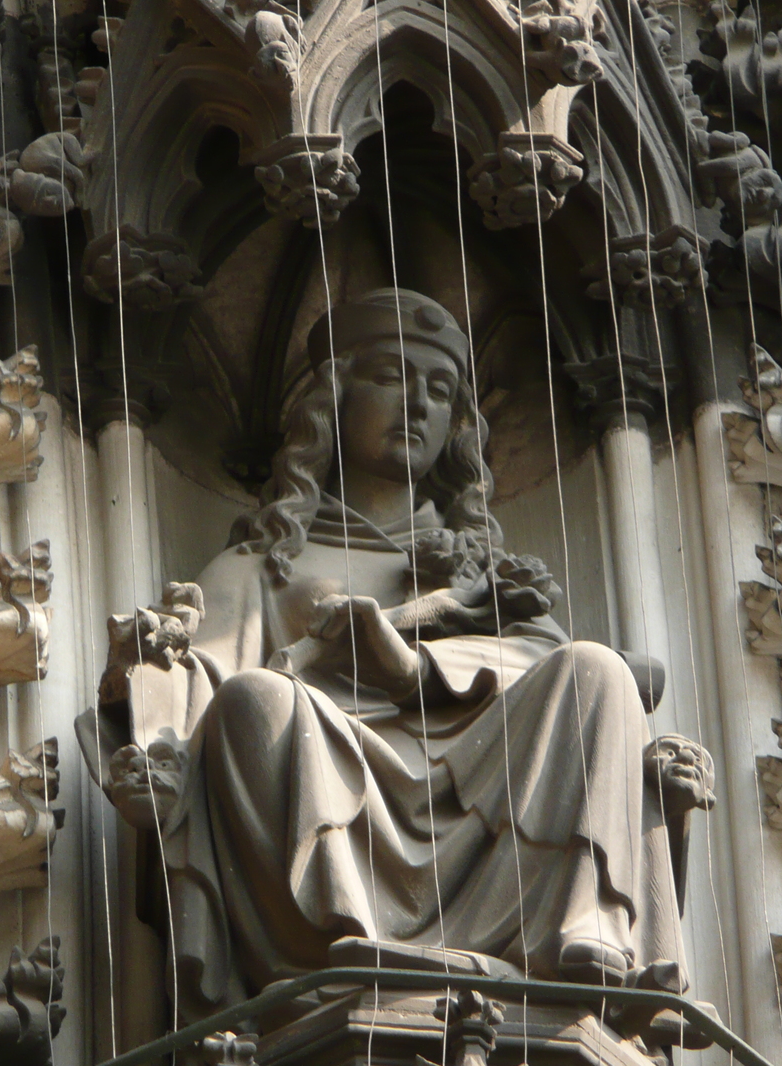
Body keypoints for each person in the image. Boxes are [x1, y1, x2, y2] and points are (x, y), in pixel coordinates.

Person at [79, 289, 711, 1022]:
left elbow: (581, 683)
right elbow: (197, 707)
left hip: (481, 790)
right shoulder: (261, 568)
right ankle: (338, 940)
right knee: (255, 703)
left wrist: (412, 669)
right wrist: (151, 696)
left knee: (596, 670)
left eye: (440, 391)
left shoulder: (483, 576)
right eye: (390, 377)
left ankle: (581, 929)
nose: (417, 405)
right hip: (326, 780)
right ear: (333, 401)